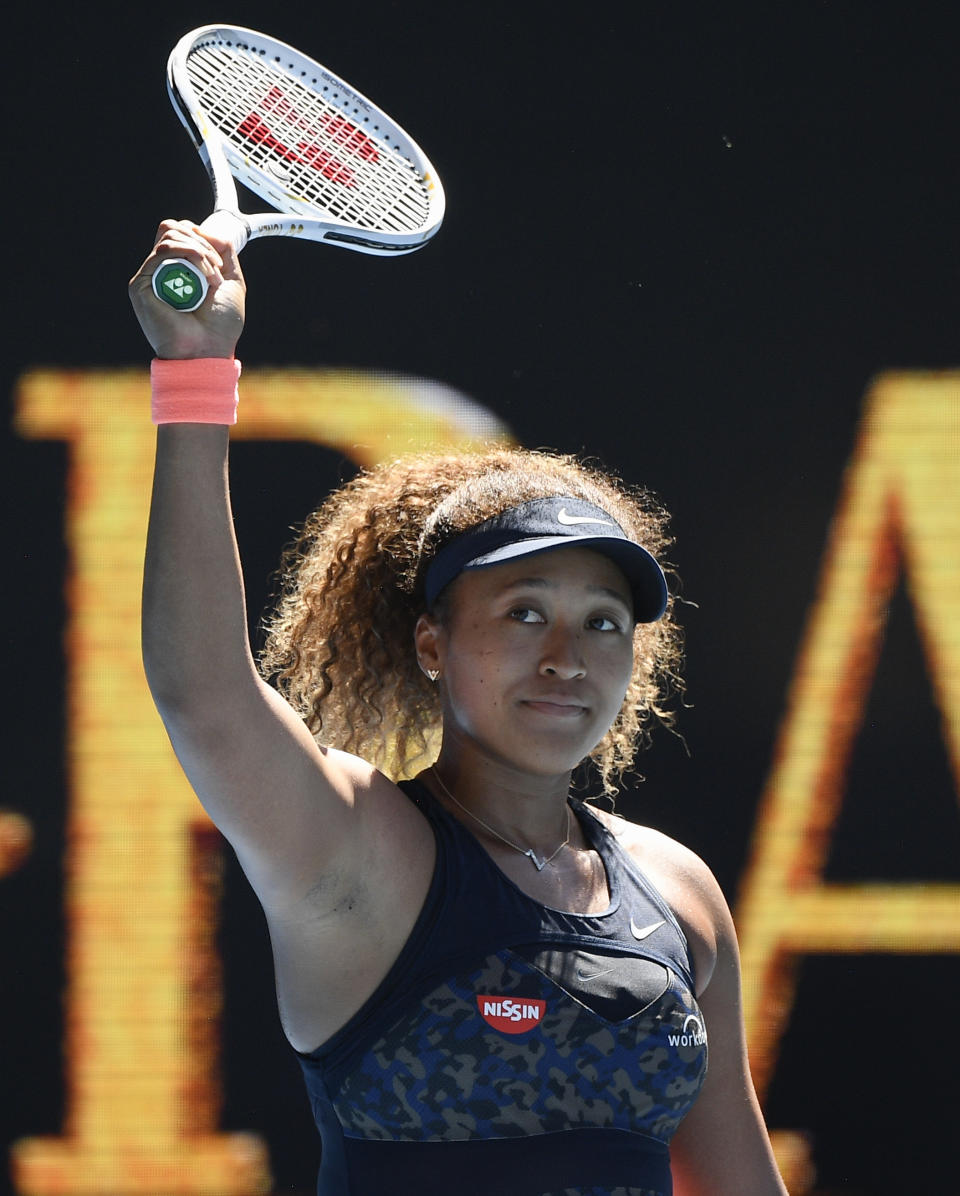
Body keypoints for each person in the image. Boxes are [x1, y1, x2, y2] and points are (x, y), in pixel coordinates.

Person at [129, 219, 788, 1196]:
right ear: (432, 642)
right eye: (524, 613)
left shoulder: (677, 890)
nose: (566, 656)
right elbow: (204, 694)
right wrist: (195, 374)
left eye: (602, 622)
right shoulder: (357, 848)